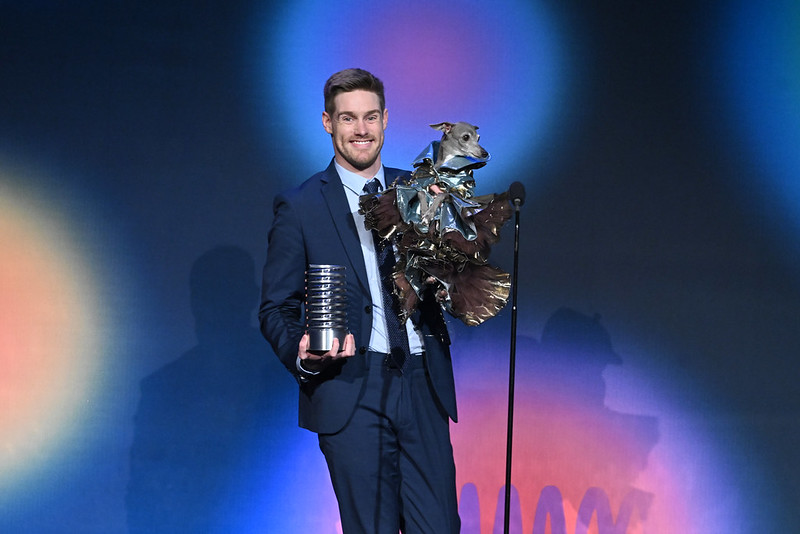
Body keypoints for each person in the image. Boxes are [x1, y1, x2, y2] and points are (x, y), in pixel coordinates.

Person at [259, 68, 460, 533]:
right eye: (348, 118)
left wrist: (451, 253)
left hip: (421, 382)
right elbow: (276, 308)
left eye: (370, 117)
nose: (361, 130)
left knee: (441, 527)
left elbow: (451, 277)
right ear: (328, 123)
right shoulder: (302, 206)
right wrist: (304, 356)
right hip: (351, 384)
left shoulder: (420, 191)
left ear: (386, 119)